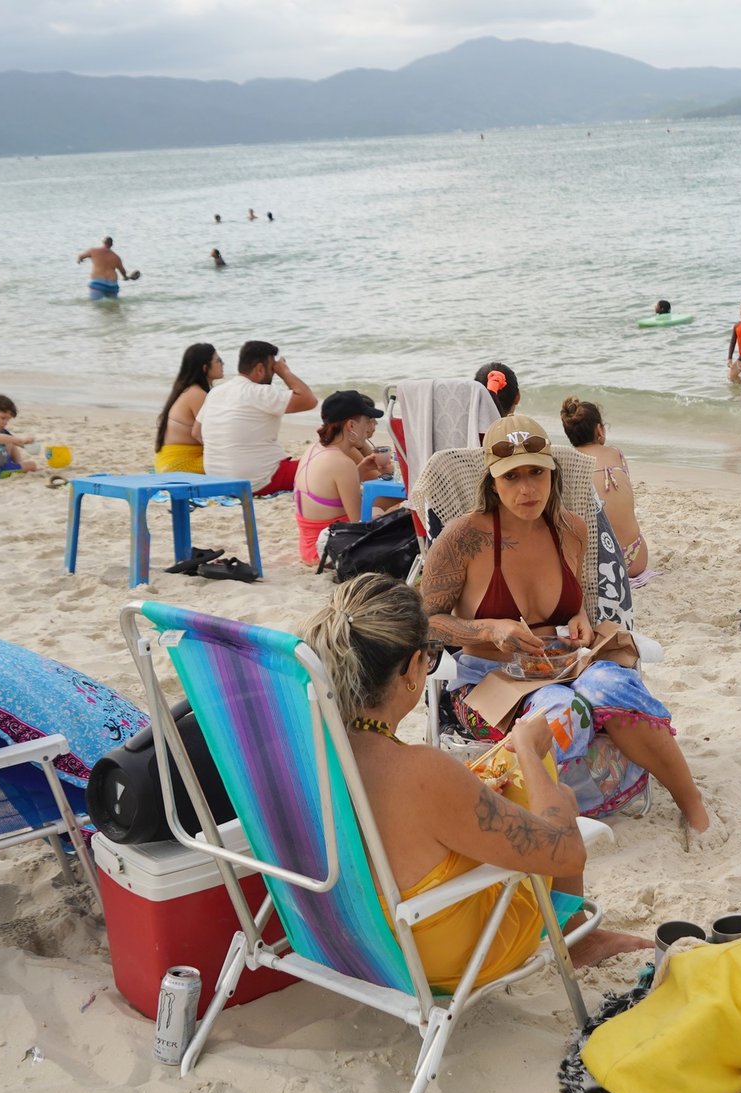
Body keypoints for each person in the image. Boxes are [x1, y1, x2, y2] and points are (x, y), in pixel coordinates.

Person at [302, 575, 649, 989]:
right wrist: (530, 753)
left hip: (346, 941)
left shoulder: (304, 746)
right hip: (437, 959)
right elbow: (568, 854)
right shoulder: (418, 769)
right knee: (555, 792)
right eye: (430, 657)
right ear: (412, 668)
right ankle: (579, 940)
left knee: (504, 783)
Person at [420, 414, 712, 837]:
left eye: (536, 473)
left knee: (613, 685)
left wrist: (579, 618)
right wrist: (488, 630)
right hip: (489, 680)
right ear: (493, 482)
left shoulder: (571, 529)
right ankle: (542, 818)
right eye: (512, 476)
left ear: (552, 473)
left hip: (565, 665)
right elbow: (426, 622)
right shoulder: (463, 538)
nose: (527, 489)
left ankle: (693, 806)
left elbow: (576, 607)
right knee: (561, 709)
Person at [200, 339, 317, 495]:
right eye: (273, 369)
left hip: (217, 480)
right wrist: (285, 372)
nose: (274, 373)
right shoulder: (260, 393)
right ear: (260, 369)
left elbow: (196, 431)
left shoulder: (215, 393)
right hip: (258, 481)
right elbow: (309, 400)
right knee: (324, 464)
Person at [292, 390, 395, 565]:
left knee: (384, 505)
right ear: (351, 426)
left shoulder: (315, 449)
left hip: (309, 545)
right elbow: (359, 524)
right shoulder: (342, 462)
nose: (368, 428)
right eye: (366, 421)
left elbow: (330, 489)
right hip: (327, 550)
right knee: (395, 510)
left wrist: (360, 470)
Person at [560, 396, 650, 582]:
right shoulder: (616, 454)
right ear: (599, 429)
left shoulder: (569, 461)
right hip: (636, 558)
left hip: (598, 564)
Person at [154, 343, 222, 473]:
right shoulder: (197, 394)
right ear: (205, 368)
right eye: (218, 361)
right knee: (234, 459)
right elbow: (209, 433)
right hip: (180, 464)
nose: (222, 364)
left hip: (168, 462)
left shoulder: (186, 389)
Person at [0, 394, 40, 477]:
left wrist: (27, 444)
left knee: (11, 442)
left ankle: (19, 464)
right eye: (3, 418)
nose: (6, 422)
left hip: (0, 465)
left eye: (8, 419)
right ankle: (19, 466)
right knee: (32, 465)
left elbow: (14, 441)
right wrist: (20, 440)